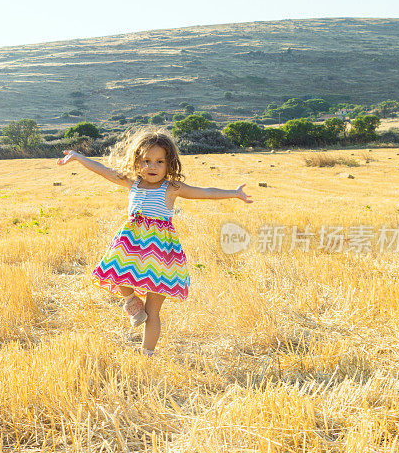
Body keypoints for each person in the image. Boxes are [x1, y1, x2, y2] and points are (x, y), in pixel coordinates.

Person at [56, 127, 253, 357]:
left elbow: (205, 192)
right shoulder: (132, 183)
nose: (152, 166)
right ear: (136, 161)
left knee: (153, 310)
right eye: (146, 160)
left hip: (161, 256)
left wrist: (234, 193)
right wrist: (79, 157)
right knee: (115, 270)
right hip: (131, 246)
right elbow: (103, 170)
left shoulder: (171, 188)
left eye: (160, 161)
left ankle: (147, 353)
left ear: (170, 164)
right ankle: (131, 301)